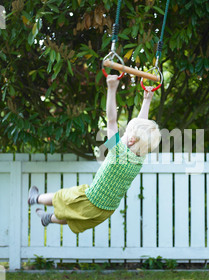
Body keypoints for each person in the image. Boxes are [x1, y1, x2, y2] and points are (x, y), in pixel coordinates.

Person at [28, 75, 161, 234]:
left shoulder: (117, 151)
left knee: (61, 197)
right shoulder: (138, 160)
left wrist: (112, 88)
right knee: (75, 218)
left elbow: (111, 121)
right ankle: (48, 218)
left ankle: (35, 199)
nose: (123, 134)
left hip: (91, 200)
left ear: (131, 140)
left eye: (126, 133)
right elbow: (141, 129)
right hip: (105, 210)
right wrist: (146, 100)